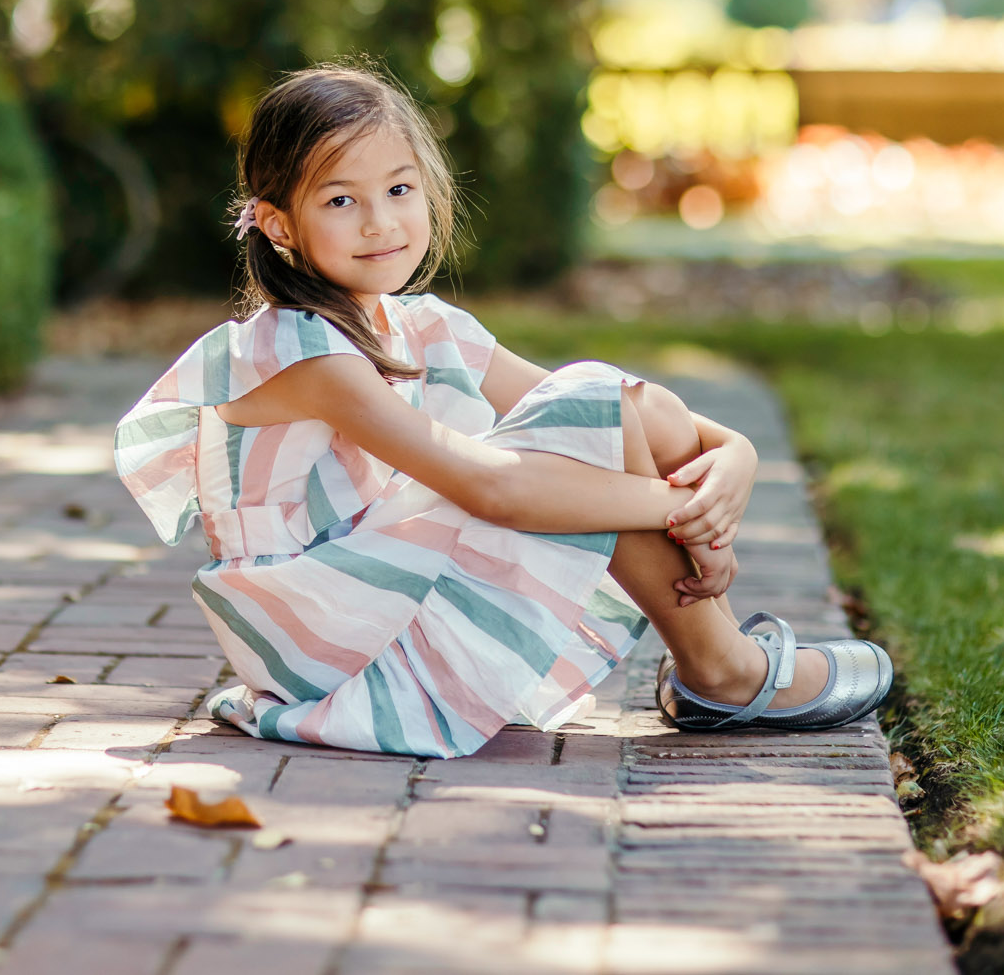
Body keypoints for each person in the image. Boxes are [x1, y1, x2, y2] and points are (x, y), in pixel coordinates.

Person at [112, 62, 892, 758]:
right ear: (279, 223)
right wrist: (685, 508)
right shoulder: (303, 352)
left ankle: (714, 659)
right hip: (321, 633)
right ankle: (722, 667)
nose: (381, 221)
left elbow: (631, 413)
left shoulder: (420, 324)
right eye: (342, 199)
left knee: (607, 399)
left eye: (398, 189)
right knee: (584, 416)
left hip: (375, 585)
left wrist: (738, 457)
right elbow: (494, 489)